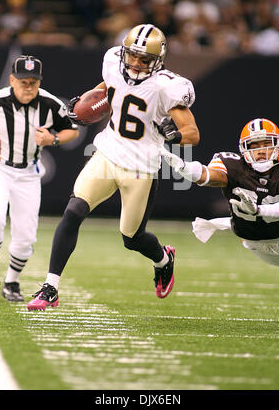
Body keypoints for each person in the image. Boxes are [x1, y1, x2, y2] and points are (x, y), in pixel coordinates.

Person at [27, 23, 200, 310]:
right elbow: (108, 88)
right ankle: (50, 287)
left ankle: (163, 259)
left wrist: (174, 135)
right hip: (107, 154)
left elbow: (192, 131)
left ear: (157, 61)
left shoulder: (167, 86)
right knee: (73, 212)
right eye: (132, 56)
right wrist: (86, 102)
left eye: (144, 59)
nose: (135, 63)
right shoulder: (112, 61)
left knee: (132, 238)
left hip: (141, 168)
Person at [0, 55, 79, 301]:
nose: (28, 87)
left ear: (40, 81)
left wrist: (54, 139)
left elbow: (72, 129)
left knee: (26, 235)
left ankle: (12, 282)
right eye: (23, 81)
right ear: (11, 80)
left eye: (33, 82)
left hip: (29, 171)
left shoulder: (49, 103)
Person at [162, 118, 279, 268]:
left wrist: (258, 210)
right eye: (254, 145)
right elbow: (207, 176)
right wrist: (184, 167)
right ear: (244, 149)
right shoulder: (233, 165)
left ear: (278, 145)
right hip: (255, 242)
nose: (260, 150)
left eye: (267, 144)